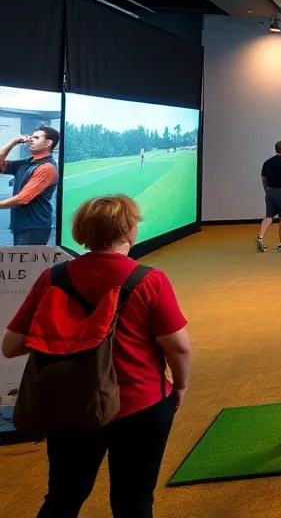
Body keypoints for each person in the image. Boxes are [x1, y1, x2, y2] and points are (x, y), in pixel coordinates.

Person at [3, 194, 192, 517]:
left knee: (63, 496)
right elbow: (178, 347)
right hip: (141, 404)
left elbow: (11, 346)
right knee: (134, 501)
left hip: (70, 404)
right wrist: (180, 386)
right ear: (128, 230)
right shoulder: (149, 279)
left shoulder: (54, 277)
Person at [0, 127, 60, 246]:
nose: (31, 140)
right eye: (31, 137)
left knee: (24, 265)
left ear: (48, 143)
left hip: (34, 228)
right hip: (23, 227)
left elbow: (23, 198)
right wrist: (14, 142)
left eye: (36, 138)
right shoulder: (27, 163)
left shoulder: (46, 168)